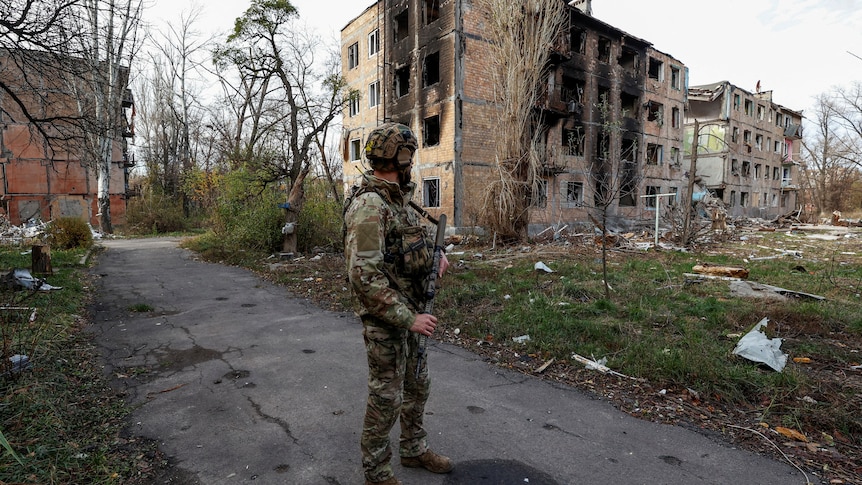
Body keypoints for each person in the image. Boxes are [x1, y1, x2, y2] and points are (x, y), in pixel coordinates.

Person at [343, 122, 452, 485]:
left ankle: (413, 448)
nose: (412, 163)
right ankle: (376, 470)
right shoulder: (370, 207)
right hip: (388, 321)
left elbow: (407, 252)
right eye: (410, 156)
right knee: (386, 397)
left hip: (412, 315)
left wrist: (435, 261)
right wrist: (409, 319)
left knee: (417, 386)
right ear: (401, 158)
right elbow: (364, 277)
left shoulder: (400, 202)